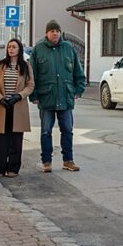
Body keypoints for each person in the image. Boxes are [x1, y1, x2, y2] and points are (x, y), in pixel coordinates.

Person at [30, 20, 86, 173]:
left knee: (67, 130)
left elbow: (78, 73)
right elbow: (32, 75)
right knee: (46, 131)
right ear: (46, 33)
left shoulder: (68, 49)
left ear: (60, 33)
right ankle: (46, 161)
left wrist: (78, 90)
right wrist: (33, 95)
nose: (55, 33)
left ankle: (68, 160)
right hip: (46, 97)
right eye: (52, 31)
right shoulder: (38, 50)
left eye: (57, 31)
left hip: (66, 97)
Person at [0, 39, 34, 177]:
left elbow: (30, 85)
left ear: (19, 49)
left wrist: (19, 96)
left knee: (15, 139)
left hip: (18, 107)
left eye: (14, 47)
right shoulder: (0, 65)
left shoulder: (26, 66)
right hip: (2, 106)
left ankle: (13, 168)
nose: (11, 49)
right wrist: (0, 98)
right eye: (9, 47)